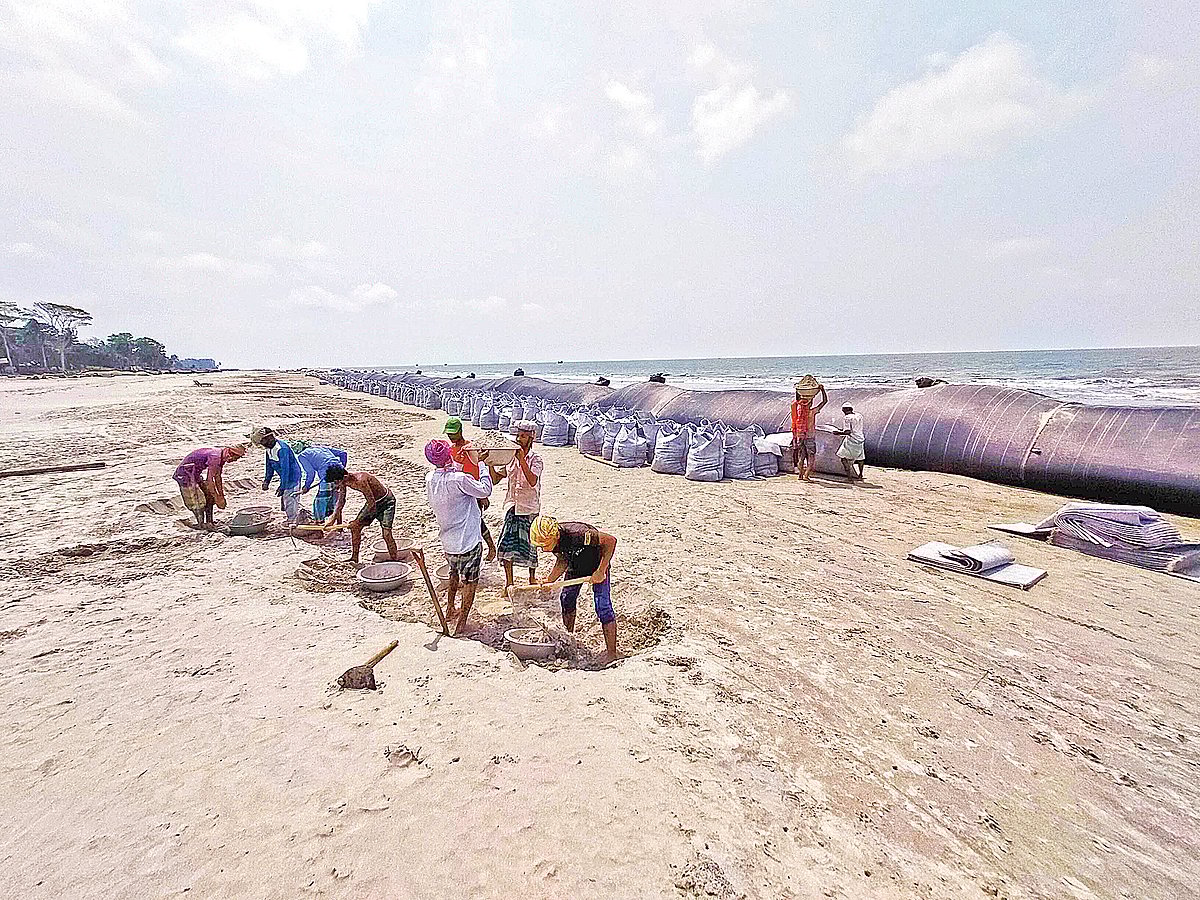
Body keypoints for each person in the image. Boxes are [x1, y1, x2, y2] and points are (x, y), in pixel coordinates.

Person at [424, 439, 493, 635]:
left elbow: (448, 477)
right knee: (470, 581)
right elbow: (485, 489)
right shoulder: (459, 479)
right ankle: (462, 621)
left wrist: (459, 463)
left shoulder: (431, 479)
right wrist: (482, 464)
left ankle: (449, 608)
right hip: (468, 540)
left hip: (448, 540)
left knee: (453, 574)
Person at [530, 515, 619, 662]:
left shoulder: (579, 534)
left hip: (597, 564)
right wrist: (549, 581)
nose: (543, 550)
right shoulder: (555, 541)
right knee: (566, 599)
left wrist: (601, 570)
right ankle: (568, 639)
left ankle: (612, 653)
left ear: (555, 536)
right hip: (576, 566)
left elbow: (610, 541)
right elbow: (563, 560)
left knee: (603, 606)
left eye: (544, 545)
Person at [488, 421, 544, 591]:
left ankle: (532, 577)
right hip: (513, 506)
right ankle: (509, 582)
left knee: (531, 544)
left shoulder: (536, 459)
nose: (519, 439)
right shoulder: (510, 459)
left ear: (531, 438)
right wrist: (489, 464)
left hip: (529, 508)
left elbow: (532, 480)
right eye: (518, 435)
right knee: (506, 544)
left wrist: (521, 460)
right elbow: (496, 479)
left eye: (523, 436)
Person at [444, 416, 497, 561]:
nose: (451, 437)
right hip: (459, 493)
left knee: (477, 521)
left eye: (453, 433)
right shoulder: (450, 450)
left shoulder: (471, 447)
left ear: (460, 431)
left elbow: (478, 470)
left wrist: (481, 495)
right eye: (449, 434)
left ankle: (491, 547)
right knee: (466, 522)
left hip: (473, 490)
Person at [325, 465, 398, 564]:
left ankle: (395, 560)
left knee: (386, 534)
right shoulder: (344, 482)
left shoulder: (360, 480)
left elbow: (372, 504)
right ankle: (355, 558)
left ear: (345, 477)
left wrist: (356, 522)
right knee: (355, 529)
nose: (336, 485)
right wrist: (332, 520)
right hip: (372, 502)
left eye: (337, 482)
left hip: (386, 502)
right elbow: (341, 501)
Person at [173, 445, 246, 528]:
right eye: (236, 458)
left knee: (209, 498)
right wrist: (217, 498)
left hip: (195, 474)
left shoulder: (221, 456)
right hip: (185, 475)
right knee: (197, 500)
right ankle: (201, 523)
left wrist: (221, 496)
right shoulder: (215, 457)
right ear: (230, 454)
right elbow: (210, 481)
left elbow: (218, 477)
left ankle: (209, 522)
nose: (235, 461)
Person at [297, 445, 349, 524]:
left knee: (320, 501)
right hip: (341, 475)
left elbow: (311, 473)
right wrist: (341, 469)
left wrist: (306, 486)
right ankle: (339, 524)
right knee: (337, 500)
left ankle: (319, 522)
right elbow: (343, 454)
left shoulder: (302, 455)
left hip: (327, 476)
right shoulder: (321, 448)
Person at [791, 381, 828, 482]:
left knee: (802, 456)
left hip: (801, 436)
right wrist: (822, 390)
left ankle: (800, 475)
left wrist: (797, 391)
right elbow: (825, 401)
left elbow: (797, 400)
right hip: (810, 436)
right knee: (811, 456)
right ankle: (806, 475)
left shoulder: (799, 412)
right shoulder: (812, 412)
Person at [833, 404, 866, 481]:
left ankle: (849, 478)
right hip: (860, 439)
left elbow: (848, 432)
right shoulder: (859, 415)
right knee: (860, 458)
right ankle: (860, 475)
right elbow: (855, 428)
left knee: (843, 458)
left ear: (844, 410)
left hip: (851, 440)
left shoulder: (847, 418)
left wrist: (838, 433)